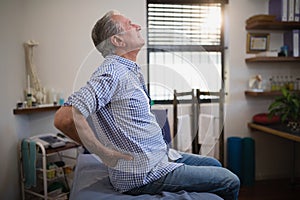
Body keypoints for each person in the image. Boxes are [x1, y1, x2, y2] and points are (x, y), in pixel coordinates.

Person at [54, 10, 240, 200]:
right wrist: (104, 154)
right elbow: (64, 119)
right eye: (130, 24)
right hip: (143, 174)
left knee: (214, 164)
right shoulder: (112, 71)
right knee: (230, 180)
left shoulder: (129, 70)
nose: (138, 26)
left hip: (161, 158)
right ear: (117, 40)